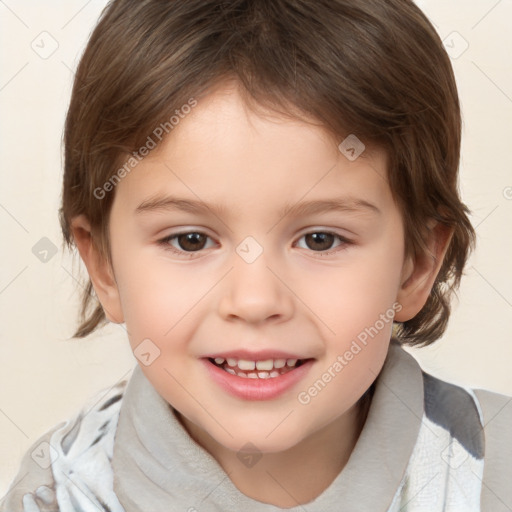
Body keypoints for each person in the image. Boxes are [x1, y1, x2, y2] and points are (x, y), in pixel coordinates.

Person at [2, 0, 511, 510]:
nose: (254, 300)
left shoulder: (495, 471)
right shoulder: (57, 495)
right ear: (105, 269)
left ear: (416, 265)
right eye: (190, 240)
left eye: (320, 239)